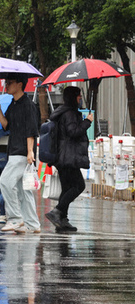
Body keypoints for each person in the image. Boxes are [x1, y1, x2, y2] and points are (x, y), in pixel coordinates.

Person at [0, 74, 41, 234]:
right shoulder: (13, 104)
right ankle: (33, 224)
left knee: (5, 182)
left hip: (22, 152)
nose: (6, 85)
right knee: (23, 191)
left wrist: (30, 152)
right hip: (14, 150)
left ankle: (15, 219)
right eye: (6, 82)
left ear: (20, 84)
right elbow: (7, 126)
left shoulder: (29, 105)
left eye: (10, 82)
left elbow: (31, 130)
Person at [45, 86, 93, 233]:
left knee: (66, 188)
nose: (80, 98)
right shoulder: (70, 114)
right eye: (78, 96)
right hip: (68, 157)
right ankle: (57, 211)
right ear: (73, 97)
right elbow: (73, 132)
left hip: (63, 156)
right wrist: (87, 122)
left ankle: (62, 220)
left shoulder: (63, 112)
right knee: (78, 186)